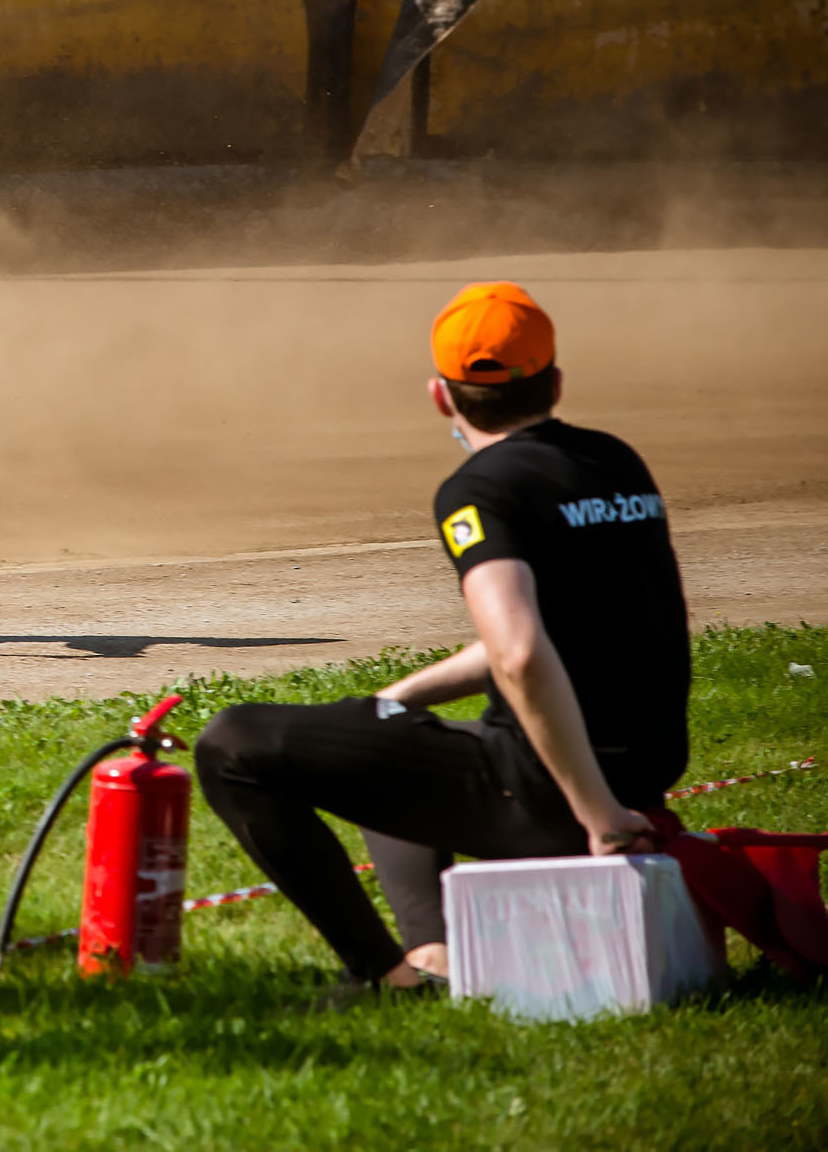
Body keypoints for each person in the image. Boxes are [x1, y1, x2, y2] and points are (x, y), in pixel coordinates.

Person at [195, 282, 689, 996]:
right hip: (641, 772)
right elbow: (570, 631)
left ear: (440, 396)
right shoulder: (614, 461)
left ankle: (383, 976)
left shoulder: (480, 489)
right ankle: (432, 951)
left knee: (232, 743)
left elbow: (519, 652)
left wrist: (599, 818)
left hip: (552, 794)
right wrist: (387, 703)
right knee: (381, 731)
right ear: (555, 382)